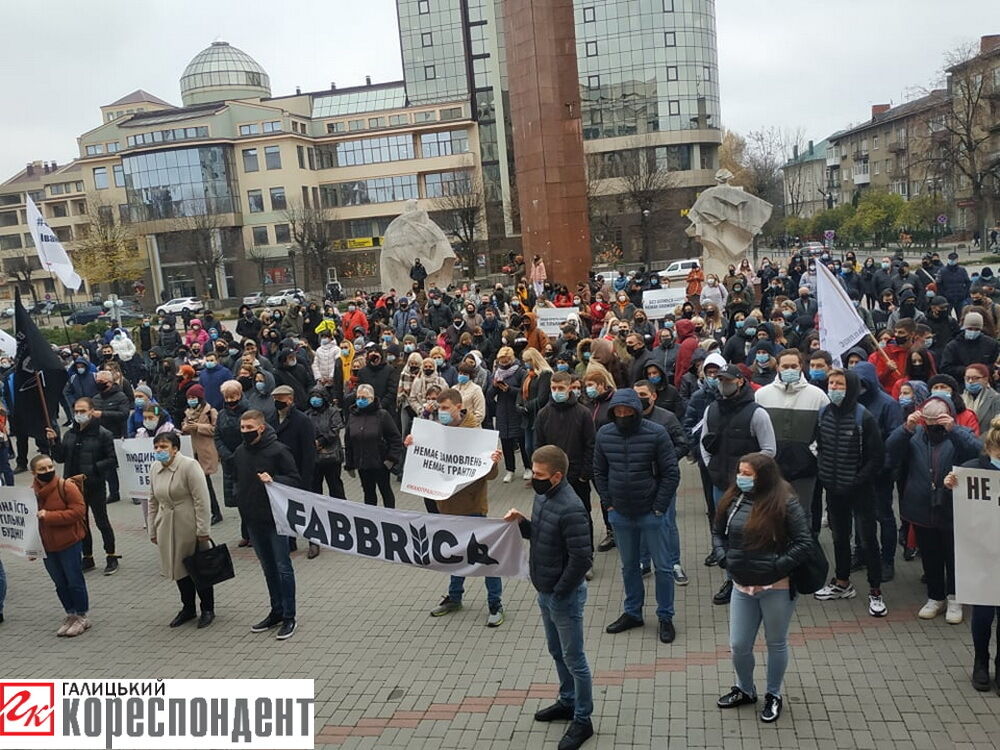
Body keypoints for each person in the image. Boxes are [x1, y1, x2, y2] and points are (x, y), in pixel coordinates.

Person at [503, 446, 595, 750]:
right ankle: (567, 701)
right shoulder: (544, 497)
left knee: (575, 658)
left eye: (539, 475)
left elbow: (582, 559)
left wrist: (559, 592)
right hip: (545, 591)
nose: (534, 479)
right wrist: (522, 523)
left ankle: (583, 719)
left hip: (563, 596)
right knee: (557, 651)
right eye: (533, 471)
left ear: (556, 476)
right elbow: (542, 534)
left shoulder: (572, 508)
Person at [712, 452, 812, 724]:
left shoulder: (785, 502)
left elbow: (804, 542)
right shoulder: (732, 499)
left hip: (776, 587)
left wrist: (776, 567)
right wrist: (724, 558)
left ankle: (773, 694)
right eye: (739, 472)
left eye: (747, 474)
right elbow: (718, 532)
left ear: (764, 477)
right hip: (741, 586)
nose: (740, 478)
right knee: (739, 645)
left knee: (775, 642)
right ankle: (745, 689)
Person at [410, 389, 506, 625]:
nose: (441, 412)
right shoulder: (438, 433)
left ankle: (495, 603)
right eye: (439, 408)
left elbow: (490, 475)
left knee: (484, 557)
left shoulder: (476, 434)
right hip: (447, 506)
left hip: (473, 506)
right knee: (453, 554)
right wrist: (413, 445)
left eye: (445, 408)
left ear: (459, 407)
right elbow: (426, 461)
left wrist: (494, 463)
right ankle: (454, 597)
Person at [594, 389, 681, 643]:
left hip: (651, 512)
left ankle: (665, 616)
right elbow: (599, 471)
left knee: (663, 568)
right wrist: (609, 503)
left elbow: (671, 473)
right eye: (618, 412)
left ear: (636, 410)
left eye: (627, 411)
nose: (623, 416)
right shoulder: (604, 434)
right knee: (629, 567)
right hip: (620, 513)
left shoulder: (657, 433)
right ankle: (633, 612)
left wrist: (659, 506)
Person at [887, 395, 981, 624]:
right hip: (921, 506)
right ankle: (935, 597)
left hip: (953, 506)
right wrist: (906, 428)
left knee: (954, 555)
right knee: (930, 556)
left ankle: (955, 598)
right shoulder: (915, 435)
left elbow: (978, 452)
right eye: (929, 421)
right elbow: (890, 449)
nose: (933, 426)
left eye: (938, 420)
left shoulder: (959, 433)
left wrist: (954, 429)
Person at [699, 365, 777, 604]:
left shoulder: (757, 413)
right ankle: (732, 580)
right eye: (719, 379)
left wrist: (749, 475)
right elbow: (704, 443)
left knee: (752, 533)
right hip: (721, 485)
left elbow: (769, 449)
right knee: (725, 533)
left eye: (727, 380)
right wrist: (713, 468)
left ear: (740, 381)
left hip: (751, 488)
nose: (723, 384)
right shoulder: (711, 410)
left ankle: (755, 576)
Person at [813, 369, 887, 616]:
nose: (834, 388)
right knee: (839, 537)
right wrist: (824, 474)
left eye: (840, 384)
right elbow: (820, 447)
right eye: (831, 383)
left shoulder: (863, 417)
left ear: (852, 388)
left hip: (860, 490)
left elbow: (876, 458)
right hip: (833, 489)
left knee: (868, 540)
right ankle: (842, 582)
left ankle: (875, 591)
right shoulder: (823, 413)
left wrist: (856, 481)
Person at [943, 415, 1000, 691]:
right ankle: (981, 661)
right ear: (989, 448)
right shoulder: (971, 470)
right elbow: (955, 509)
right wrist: (950, 487)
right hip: (982, 555)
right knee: (983, 614)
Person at [234, 410, 302, 640]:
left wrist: (275, 480)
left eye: (249, 427)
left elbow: (295, 479)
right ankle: (276, 611)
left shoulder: (278, 450)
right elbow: (237, 480)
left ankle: (290, 616)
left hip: (276, 520)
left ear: (261, 428)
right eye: (242, 427)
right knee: (268, 568)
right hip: (253, 520)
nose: (245, 431)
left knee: (283, 568)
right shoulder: (240, 452)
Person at [754, 350, 827, 531]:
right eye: (785, 366)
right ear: (777, 367)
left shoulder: (818, 396)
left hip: (805, 469)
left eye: (793, 366)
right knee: (772, 513)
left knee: (802, 515)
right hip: (772, 469)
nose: (789, 370)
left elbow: (825, 430)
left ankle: (806, 547)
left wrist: (813, 453)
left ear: (801, 366)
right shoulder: (762, 395)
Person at [147, 431, 215, 629]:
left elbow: (202, 499)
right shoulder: (154, 467)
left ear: (175, 449)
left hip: (188, 524)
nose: (159, 450)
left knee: (197, 567)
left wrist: (203, 529)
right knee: (178, 568)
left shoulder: (189, 466)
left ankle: (208, 608)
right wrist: (152, 529)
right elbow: (152, 500)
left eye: (163, 447)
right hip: (166, 525)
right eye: (156, 447)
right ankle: (188, 607)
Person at [46, 398, 119, 575]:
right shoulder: (70, 434)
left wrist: (94, 468)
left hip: (94, 485)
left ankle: (111, 556)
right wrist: (54, 442)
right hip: (73, 487)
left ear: (92, 411)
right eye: (76, 411)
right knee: (81, 522)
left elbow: (112, 460)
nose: (79, 414)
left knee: (102, 521)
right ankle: (87, 556)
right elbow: (60, 458)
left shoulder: (103, 434)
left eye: (83, 411)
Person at [534, 371, 596, 569]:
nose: (557, 392)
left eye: (561, 388)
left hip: (577, 477)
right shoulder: (543, 414)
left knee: (582, 518)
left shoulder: (583, 413)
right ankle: (561, 558)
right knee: (552, 519)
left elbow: (591, 445)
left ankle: (586, 560)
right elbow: (538, 446)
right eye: (553, 388)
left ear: (570, 387)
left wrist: (585, 474)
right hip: (551, 479)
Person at [30, 454, 90, 637]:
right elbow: (28, 522)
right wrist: (30, 546)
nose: (47, 471)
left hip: (68, 543)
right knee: (59, 582)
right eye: (42, 469)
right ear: (33, 472)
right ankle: (70, 613)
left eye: (50, 467)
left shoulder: (66, 486)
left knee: (74, 580)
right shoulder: (31, 493)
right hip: (47, 546)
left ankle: (82, 615)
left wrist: (49, 516)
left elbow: (78, 512)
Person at [344, 384, 402, 508]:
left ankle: (390, 516)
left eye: (364, 398)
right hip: (362, 464)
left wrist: (391, 460)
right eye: (358, 397)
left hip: (380, 464)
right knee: (368, 493)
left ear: (372, 398)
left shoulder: (382, 415)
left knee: (385, 491)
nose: (360, 400)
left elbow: (395, 439)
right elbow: (349, 442)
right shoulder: (353, 415)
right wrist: (349, 464)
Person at [180, 385, 223, 526]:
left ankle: (216, 512)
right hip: (192, 452)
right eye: (189, 398)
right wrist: (185, 427)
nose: (191, 400)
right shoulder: (188, 412)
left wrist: (198, 427)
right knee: (198, 485)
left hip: (205, 451)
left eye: (193, 397)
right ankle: (206, 512)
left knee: (206, 484)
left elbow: (215, 429)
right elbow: (184, 427)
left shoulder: (210, 411)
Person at [215, 381, 249, 546]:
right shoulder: (222, 414)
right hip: (229, 462)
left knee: (250, 499)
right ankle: (246, 534)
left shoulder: (248, 411)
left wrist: (240, 454)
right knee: (239, 499)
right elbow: (217, 436)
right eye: (227, 397)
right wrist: (226, 454)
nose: (230, 400)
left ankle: (254, 533)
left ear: (240, 395)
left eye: (233, 396)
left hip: (247, 460)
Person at [489, 347, 529, 483]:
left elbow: (524, 392)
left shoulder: (520, 372)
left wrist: (509, 389)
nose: (504, 363)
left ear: (511, 359)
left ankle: (528, 467)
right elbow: (489, 395)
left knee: (522, 441)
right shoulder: (496, 373)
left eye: (506, 361)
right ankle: (510, 469)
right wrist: (495, 386)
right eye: (501, 361)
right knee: (505, 443)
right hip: (502, 412)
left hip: (516, 411)